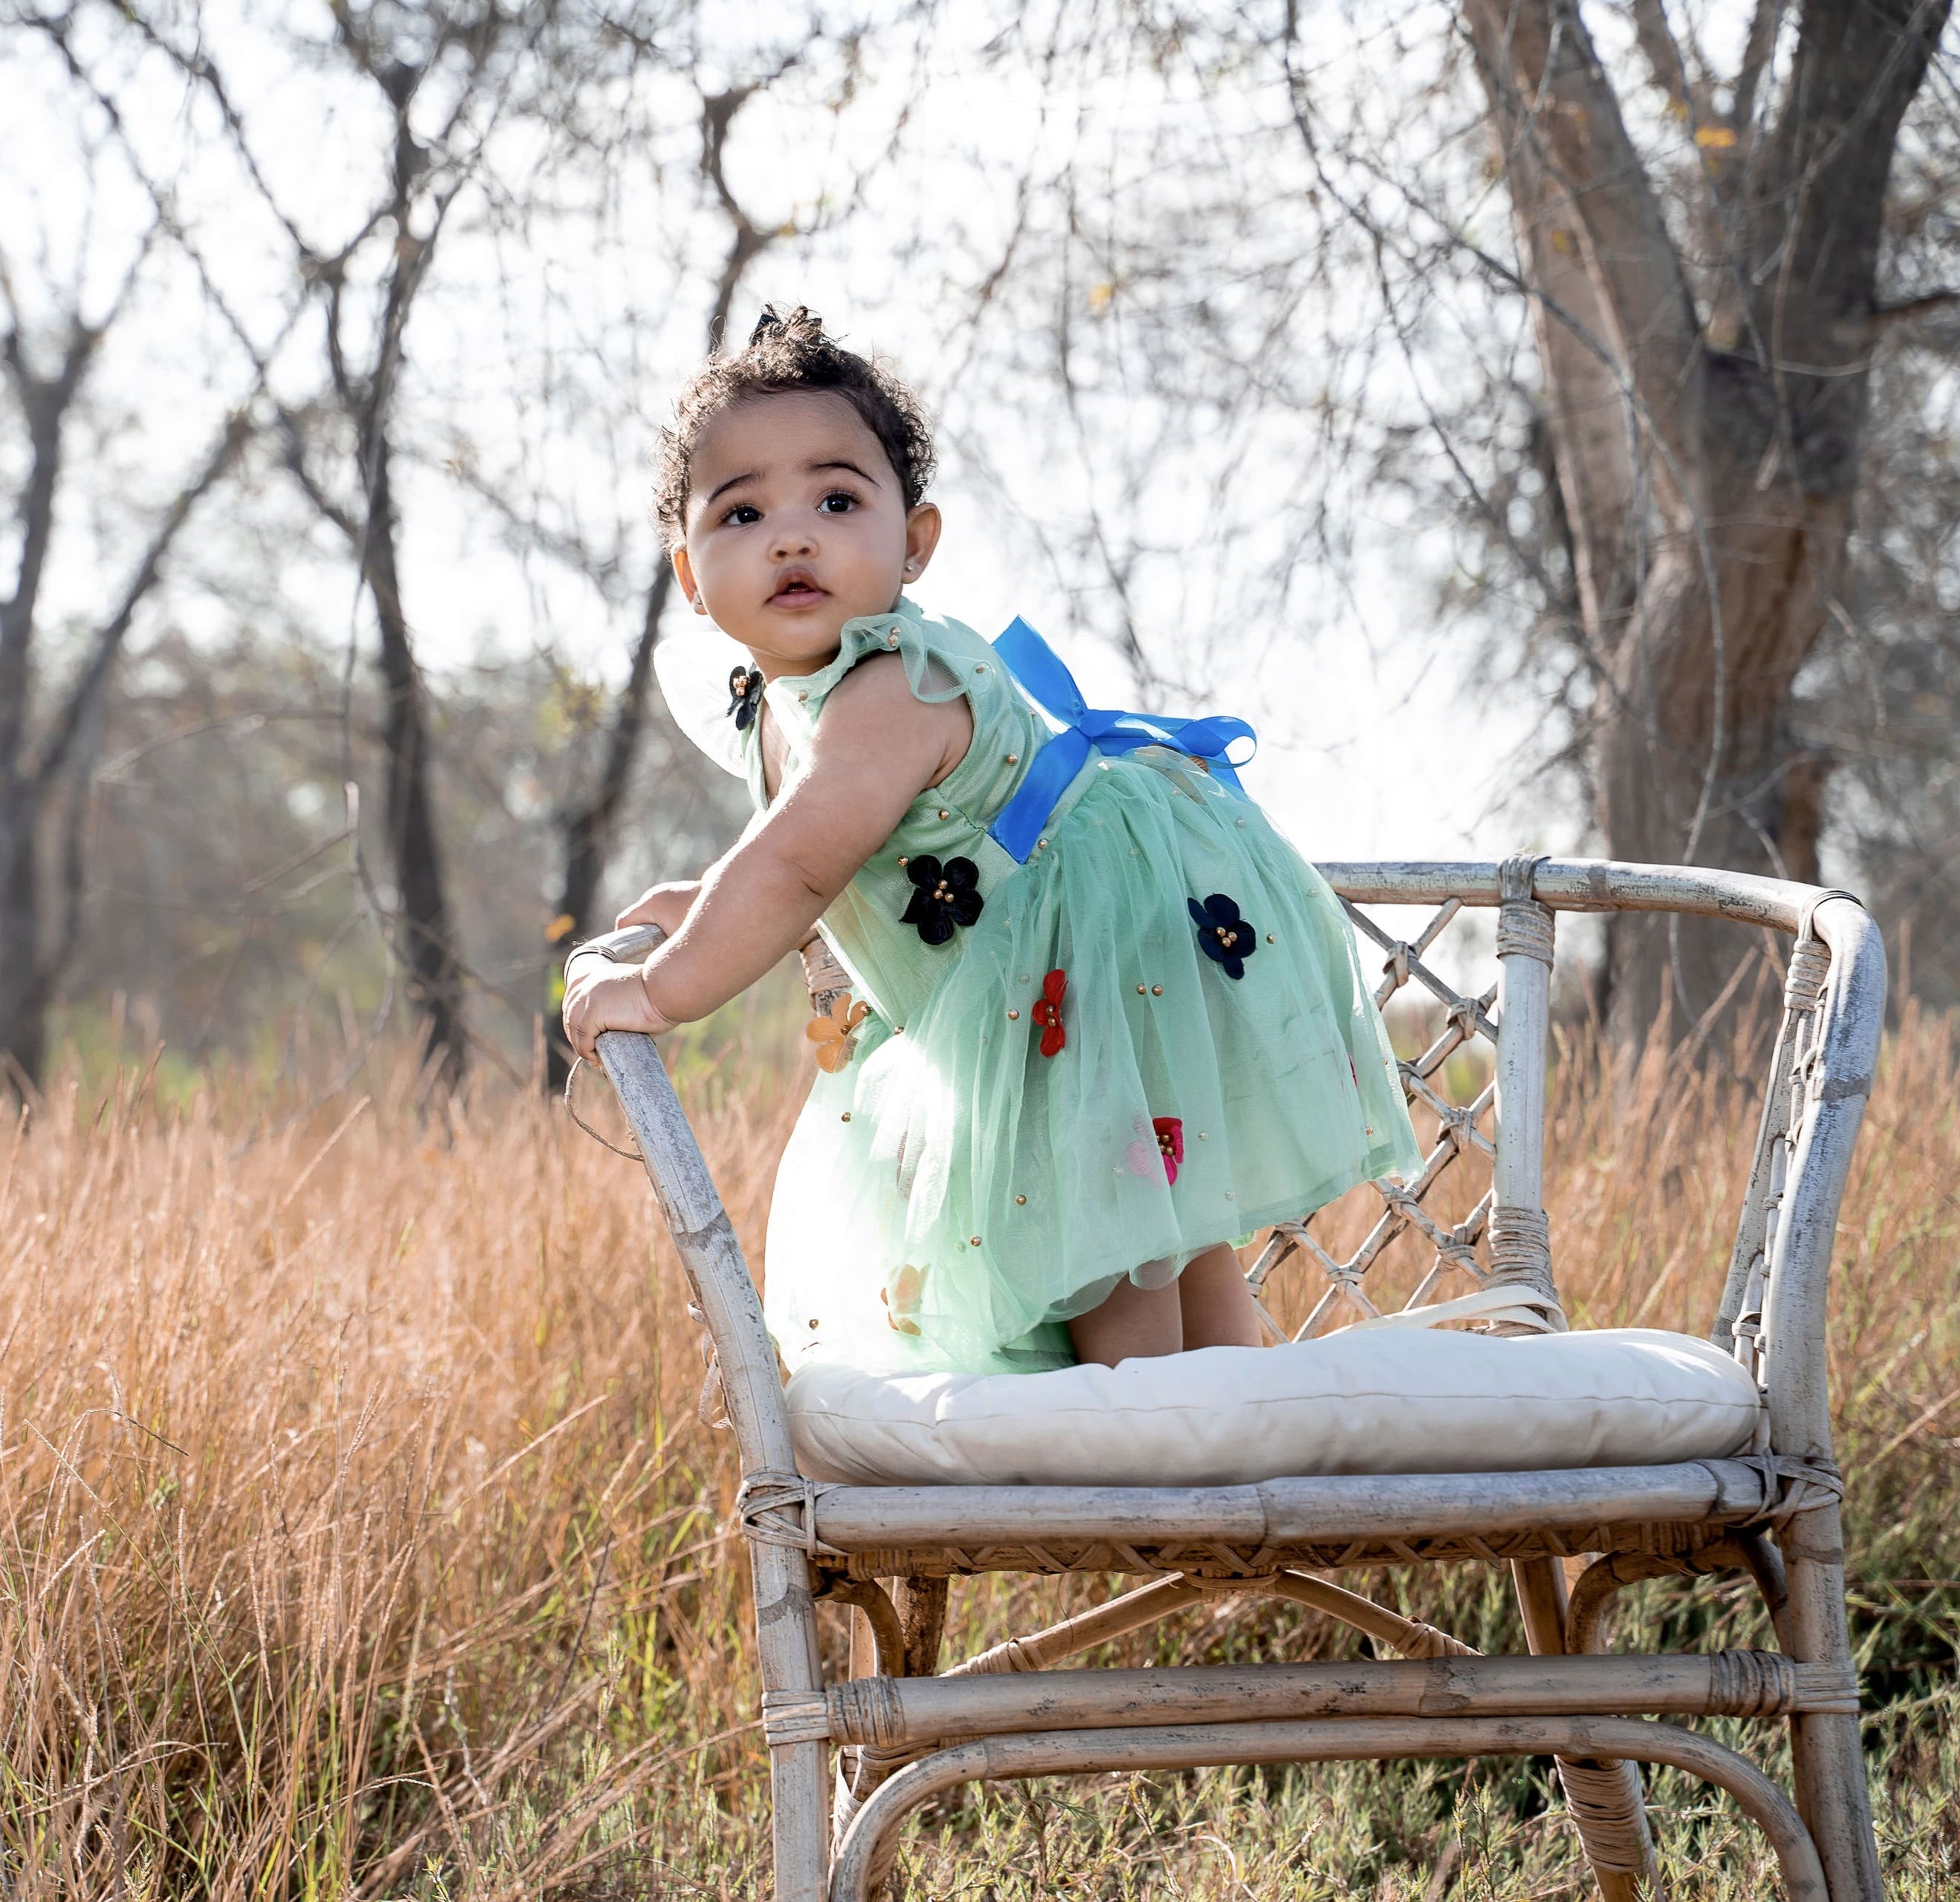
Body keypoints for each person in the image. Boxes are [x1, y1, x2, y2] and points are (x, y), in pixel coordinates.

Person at [561, 306, 1419, 1375]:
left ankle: (1158, 1438)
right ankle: (1227, 1429)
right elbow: (798, 846)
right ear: (690, 575)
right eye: (742, 512)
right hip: (1050, 971)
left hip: (1075, 956)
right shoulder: (790, 705)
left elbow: (797, 866)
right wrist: (710, 896)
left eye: (836, 499)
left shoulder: (888, 687)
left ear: (913, 543)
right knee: (1156, 1214)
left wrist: (668, 986)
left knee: (1108, 1239)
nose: (792, 534)